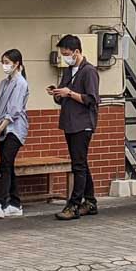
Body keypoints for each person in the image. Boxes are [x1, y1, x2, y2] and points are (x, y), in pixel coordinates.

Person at [51, 35, 101, 221]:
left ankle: (74, 204)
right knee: (80, 162)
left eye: (67, 54)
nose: (65, 57)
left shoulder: (89, 71)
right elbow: (63, 93)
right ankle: (90, 201)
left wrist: (70, 93)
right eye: (63, 54)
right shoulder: (69, 70)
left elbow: (91, 99)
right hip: (70, 122)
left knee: (78, 165)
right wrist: (57, 93)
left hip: (83, 123)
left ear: (77, 51)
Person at [0, 49, 29, 219]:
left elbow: (14, 110)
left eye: (7, 62)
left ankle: (0, 202)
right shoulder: (4, 83)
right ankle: (15, 203)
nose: (4, 66)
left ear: (17, 63)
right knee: (7, 165)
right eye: (3, 62)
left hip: (14, 128)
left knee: (5, 163)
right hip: (3, 127)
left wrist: (0, 127)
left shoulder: (21, 83)